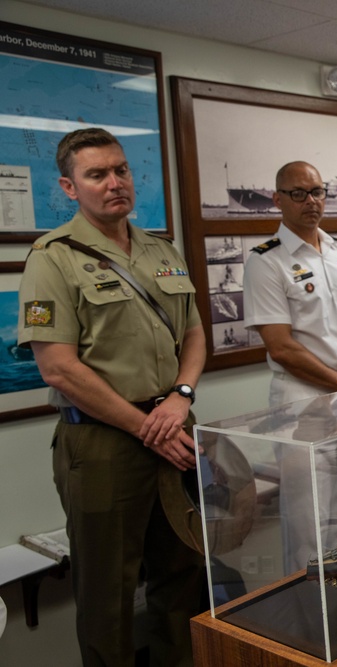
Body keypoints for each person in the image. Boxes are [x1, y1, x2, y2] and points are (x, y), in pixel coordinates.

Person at [18, 128, 206, 666]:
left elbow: (193, 334)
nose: (114, 182)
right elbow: (58, 368)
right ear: (69, 186)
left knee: (184, 571)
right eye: (97, 174)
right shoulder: (52, 258)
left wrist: (181, 399)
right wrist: (145, 425)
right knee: (108, 594)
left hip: (174, 424)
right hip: (104, 443)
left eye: (120, 170)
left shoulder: (159, 249)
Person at [242, 161, 337, 573]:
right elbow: (282, 347)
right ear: (277, 200)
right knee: (309, 524)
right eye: (299, 193)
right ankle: (310, 625)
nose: (312, 201)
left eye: (318, 191)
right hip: (303, 401)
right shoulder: (266, 262)